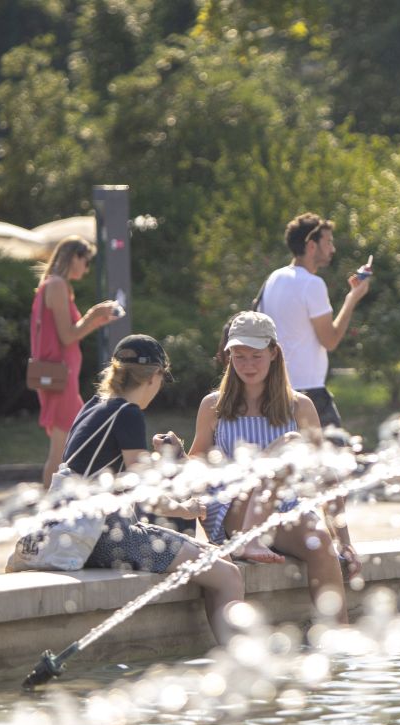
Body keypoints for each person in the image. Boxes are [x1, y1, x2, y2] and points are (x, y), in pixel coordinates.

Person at [57, 334, 245, 646]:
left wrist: (159, 460)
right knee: (229, 576)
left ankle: (224, 654)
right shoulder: (128, 412)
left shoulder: (92, 407)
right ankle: (239, 666)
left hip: (79, 533)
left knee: (212, 557)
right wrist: (188, 509)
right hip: (109, 539)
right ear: (155, 376)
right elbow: (145, 495)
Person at [189, 311, 362, 624]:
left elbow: (326, 476)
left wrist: (345, 541)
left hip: (285, 510)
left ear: (273, 353)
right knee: (293, 443)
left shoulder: (300, 406)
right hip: (236, 508)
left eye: (256, 356)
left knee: (319, 541)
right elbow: (195, 463)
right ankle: (249, 540)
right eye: (238, 357)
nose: (248, 365)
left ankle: (339, 644)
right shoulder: (213, 405)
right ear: (228, 357)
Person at [257, 213, 372, 430]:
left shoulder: (273, 278)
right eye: (328, 242)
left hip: (273, 390)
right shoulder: (312, 284)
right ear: (311, 246)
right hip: (309, 393)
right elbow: (330, 340)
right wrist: (352, 298)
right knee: (334, 458)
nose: (333, 249)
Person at [31, 235, 122, 488]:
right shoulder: (57, 285)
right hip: (60, 379)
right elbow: (67, 335)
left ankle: (63, 501)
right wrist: (93, 314)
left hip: (60, 378)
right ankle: (50, 510)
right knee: (60, 449)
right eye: (86, 261)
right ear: (74, 257)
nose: (87, 267)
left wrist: (95, 321)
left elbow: (69, 335)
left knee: (71, 442)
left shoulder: (54, 285)